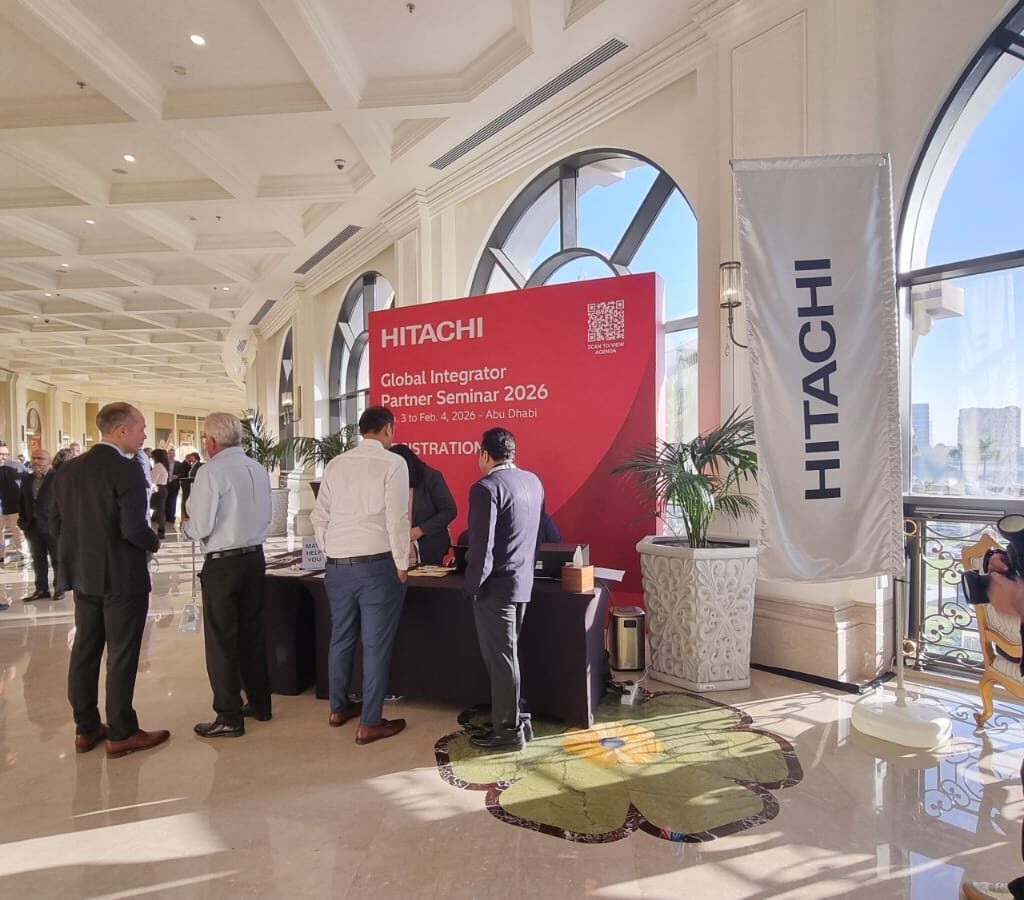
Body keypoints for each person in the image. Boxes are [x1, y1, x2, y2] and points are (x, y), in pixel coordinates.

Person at [52, 402, 167, 759]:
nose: (144, 435)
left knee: (85, 650)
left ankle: (86, 727)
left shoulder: (68, 469)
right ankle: (121, 731)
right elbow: (133, 528)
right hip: (121, 577)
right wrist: (154, 542)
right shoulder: (126, 468)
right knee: (121, 653)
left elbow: (54, 522)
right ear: (121, 431)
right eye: (141, 428)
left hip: (83, 576)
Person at [311, 406, 410, 745]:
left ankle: (338, 708)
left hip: (337, 566)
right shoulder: (393, 463)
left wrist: (331, 549)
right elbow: (397, 519)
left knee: (341, 637)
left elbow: (319, 516)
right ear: (389, 429)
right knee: (375, 644)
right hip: (377, 565)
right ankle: (370, 722)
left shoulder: (336, 464)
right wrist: (402, 562)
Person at [183, 412, 273, 738]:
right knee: (252, 634)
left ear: (211, 441)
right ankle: (260, 704)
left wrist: (186, 528)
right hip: (254, 558)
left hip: (223, 564)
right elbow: (268, 514)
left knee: (221, 640)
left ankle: (229, 716)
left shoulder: (211, 471)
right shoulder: (257, 468)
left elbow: (200, 526)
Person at [463, 427, 544, 751]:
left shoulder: (485, 488)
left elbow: (481, 546)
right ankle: (518, 719)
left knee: (501, 661)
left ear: (485, 454)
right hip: (521, 581)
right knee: (508, 658)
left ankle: (508, 731)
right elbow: (537, 536)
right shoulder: (533, 482)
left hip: (494, 588)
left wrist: (472, 586)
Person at [388, 444, 457, 566]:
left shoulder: (431, 477)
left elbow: (449, 510)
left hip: (430, 550)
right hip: (397, 554)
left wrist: (421, 530)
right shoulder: (390, 482)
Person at [17, 449, 61, 602]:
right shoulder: (26, 479)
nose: (36, 461)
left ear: (49, 461)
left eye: (41, 458)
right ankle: (41, 589)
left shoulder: (57, 477)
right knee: (37, 559)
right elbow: (21, 501)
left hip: (52, 526)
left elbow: (65, 502)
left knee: (57, 558)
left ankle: (59, 588)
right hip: (32, 526)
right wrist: (22, 521)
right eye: (34, 458)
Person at [0, 441, 26, 565]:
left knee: (18, 532)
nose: (4, 457)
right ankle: (0, 555)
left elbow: (26, 483)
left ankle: (23, 554)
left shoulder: (17, 466)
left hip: (15, 507)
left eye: (6, 454)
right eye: (1, 454)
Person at [149, 448, 169, 538]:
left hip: (158, 489)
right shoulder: (163, 465)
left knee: (158, 511)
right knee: (160, 511)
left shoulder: (158, 466)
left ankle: (160, 531)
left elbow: (152, 480)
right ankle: (161, 531)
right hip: (162, 489)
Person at [165, 447, 188, 525]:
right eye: (170, 454)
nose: (171, 455)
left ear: (174, 455)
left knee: (173, 501)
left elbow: (182, 473)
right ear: (167, 454)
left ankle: (171, 516)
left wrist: (177, 476)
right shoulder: (164, 463)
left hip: (174, 484)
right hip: (165, 484)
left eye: (173, 454)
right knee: (165, 500)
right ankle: (165, 516)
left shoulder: (178, 464)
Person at [180, 451, 202, 518]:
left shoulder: (198, 465)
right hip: (188, 484)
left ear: (195, 457)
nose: (190, 458)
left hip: (193, 484)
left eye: (192, 457)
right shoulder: (192, 465)